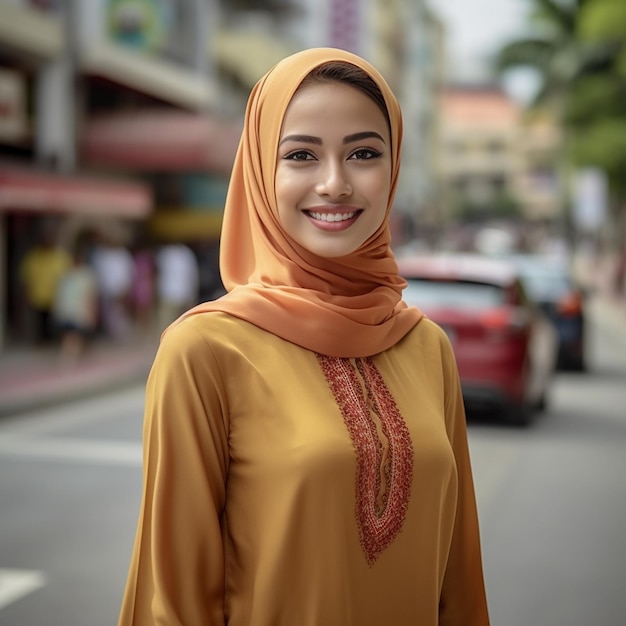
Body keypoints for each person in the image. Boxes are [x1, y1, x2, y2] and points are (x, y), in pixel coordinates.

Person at [118, 47, 490, 626]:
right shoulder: (206, 351)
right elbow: (174, 598)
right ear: (263, 171)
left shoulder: (426, 347)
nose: (335, 183)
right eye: (300, 155)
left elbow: (460, 579)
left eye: (364, 153)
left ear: (394, 170)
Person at [19, 227, 71, 346]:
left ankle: (55, 341)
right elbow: (26, 278)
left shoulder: (60, 256)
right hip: (38, 296)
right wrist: (25, 294)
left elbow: (69, 277)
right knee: (40, 322)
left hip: (56, 297)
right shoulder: (32, 257)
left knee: (57, 321)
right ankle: (42, 341)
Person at [52, 244, 98, 363]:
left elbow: (90, 296)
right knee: (72, 338)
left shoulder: (83, 276)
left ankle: (70, 357)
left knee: (74, 338)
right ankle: (68, 358)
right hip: (72, 313)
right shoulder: (68, 276)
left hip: (78, 312)